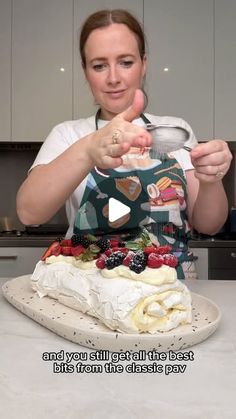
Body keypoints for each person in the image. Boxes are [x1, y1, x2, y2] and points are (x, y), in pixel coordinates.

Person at [16, 9, 232, 279]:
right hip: (92, 290)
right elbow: (28, 212)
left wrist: (212, 179)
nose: (113, 78)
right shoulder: (68, 135)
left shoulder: (174, 130)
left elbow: (209, 224)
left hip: (170, 288)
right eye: (99, 65)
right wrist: (89, 149)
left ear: (144, 64)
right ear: (86, 72)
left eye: (126, 62)